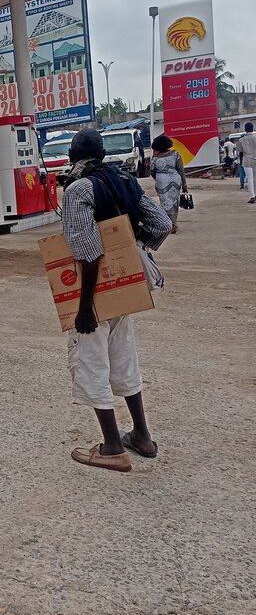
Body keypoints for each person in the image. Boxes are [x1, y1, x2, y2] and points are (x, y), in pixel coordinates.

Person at [62, 129, 172, 473]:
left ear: (71, 155)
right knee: (123, 354)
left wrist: (84, 309)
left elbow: (89, 253)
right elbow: (162, 224)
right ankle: (141, 435)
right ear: (102, 151)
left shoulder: (78, 190)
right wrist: (133, 248)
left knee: (91, 358)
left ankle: (112, 447)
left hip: (94, 292)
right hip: (126, 284)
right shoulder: (124, 178)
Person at [149, 134, 187, 232]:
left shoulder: (155, 158)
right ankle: (173, 224)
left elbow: (152, 171)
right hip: (175, 179)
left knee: (165, 202)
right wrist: (184, 184)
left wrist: (158, 179)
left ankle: (169, 224)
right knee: (174, 202)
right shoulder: (176, 154)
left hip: (162, 181)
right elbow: (181, 170)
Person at [236, 122, 256, 203]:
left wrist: (240, 162)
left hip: (247, 160)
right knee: (255, 178)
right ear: (252, 128)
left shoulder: (241, 140)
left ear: (245, 129)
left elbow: (240, 152)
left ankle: (252, 196)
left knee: (249, 178)